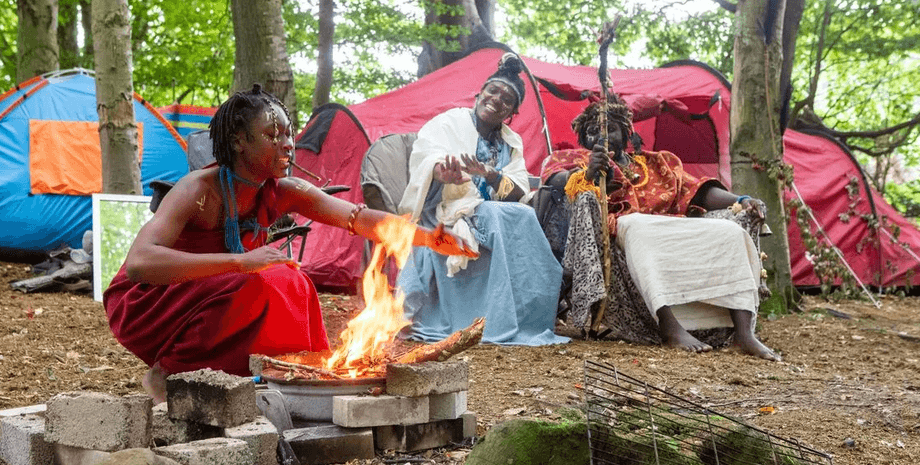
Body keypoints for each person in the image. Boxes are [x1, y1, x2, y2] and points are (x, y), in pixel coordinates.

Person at [103, 84, 476, 404]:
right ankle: (165, 372)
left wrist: (428, 237)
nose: (287, 145)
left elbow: (358, 218)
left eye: (289, 134)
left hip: (219, 291)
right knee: (261, 279)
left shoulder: (286, 191)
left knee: (292, 282)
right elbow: (139, 264)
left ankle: (289, 380)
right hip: (149, 303)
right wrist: (241, 263)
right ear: (239, 141)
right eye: (273, 135)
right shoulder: (197, 190)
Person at [541, 93, 780, 361]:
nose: (602, 135)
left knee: (732, 233)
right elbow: (555, 182)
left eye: (611, 128)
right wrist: (587, 173)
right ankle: (669, 327)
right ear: (584, 138)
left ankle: (743, 333)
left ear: (627, 132)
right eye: (593, 130)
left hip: (673, 225)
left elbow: (696, 191)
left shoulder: (659, 162)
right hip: (623, 229)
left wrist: (742, 200)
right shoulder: (571, 158)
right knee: (640, 228)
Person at [397, 53, 569, 346]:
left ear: (511, 112)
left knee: (518, 214)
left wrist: (490, 175)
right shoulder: (449, 121)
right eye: (493, 91)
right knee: (503, 215)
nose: (497, 99)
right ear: (479, 94)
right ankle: (487, 320)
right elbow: (429, 157)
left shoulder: (511, 142)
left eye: (507, 99)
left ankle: (525, 317)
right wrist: (444, 173)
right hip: (445, 209)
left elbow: (519, 191)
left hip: (490, 215)